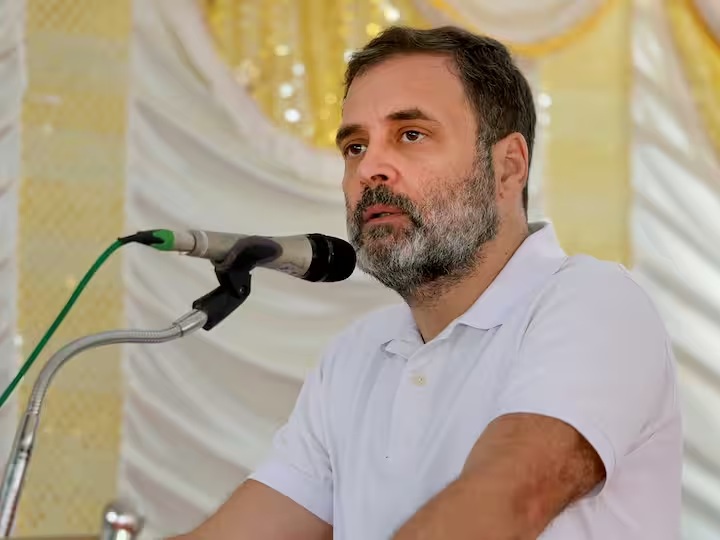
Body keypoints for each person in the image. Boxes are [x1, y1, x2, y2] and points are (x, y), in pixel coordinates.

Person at [172, 25, 682, 540]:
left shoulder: (592, 304)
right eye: (355, 146)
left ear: (508, 168)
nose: (370, 168)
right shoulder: (356, 355)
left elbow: (501, 508)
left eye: (410, 134)